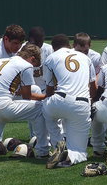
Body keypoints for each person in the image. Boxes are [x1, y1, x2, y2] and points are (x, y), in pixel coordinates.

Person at [41, 34, 96, 169]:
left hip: (59, 100)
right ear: (70, 45)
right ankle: (69, 156)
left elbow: (48, 90)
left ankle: (57, 145)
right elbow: (93, 87)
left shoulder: (51, 57)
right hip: (82, 104)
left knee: (45, 108)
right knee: (81, 152)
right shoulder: (85, 58)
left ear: (53, 48)